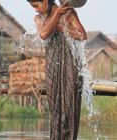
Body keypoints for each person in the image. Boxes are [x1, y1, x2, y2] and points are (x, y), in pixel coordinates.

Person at [27, 0, 87, 139]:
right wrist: (57, 15)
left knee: (69, 109)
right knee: (55, 111)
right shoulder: (39, 18)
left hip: (71, 67)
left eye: (36, 5)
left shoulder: (69, 13)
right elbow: (43, 34)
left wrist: (63, 27)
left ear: (46, 1)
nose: (35, 10)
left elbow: (82, 35)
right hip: (52, 67)